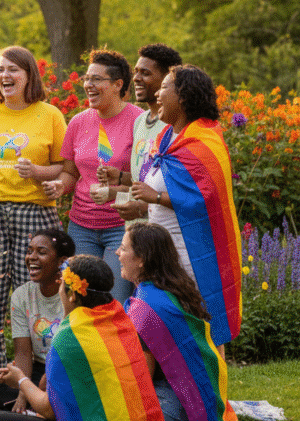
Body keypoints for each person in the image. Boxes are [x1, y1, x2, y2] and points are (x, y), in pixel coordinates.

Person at [0, 255, 177, 421]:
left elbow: (48, 409)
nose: (59, 289)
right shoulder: (119, 319)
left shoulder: (69, 336)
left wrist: (21, 381)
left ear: (73, 294)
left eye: (62, 285)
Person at [0, 46, 66, 375]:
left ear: (29, 75)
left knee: (36, 294)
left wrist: (39, 173)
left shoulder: (50, 115)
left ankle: (41, 375)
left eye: (13, 70)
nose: (5, 75)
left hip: (35, 214)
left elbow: (64, 168)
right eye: (1, 70)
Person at [129, 65, 242, 346]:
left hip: (192, 254)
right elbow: (169, 192)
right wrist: (141, 205)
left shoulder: (204, 141)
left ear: (183, 96)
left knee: (201, 331)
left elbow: (203, 197)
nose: (157, 93)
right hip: (161, 254)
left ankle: (212, 390)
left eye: (164, 86)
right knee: (166, 334)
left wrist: (153, 197)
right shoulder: (166, 139)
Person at [118, 222, 242, 421]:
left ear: (142, 259)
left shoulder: (146, 309)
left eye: (124, 248)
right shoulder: (172, 292)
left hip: (178, 413)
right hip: (206, 404)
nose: (117, 253)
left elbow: (140, 380)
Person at [43, 48, 142, 303]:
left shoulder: (138, 122)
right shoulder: (78, 122)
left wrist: (114, 190)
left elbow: (146, 181)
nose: (89, 85)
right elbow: (69, 173)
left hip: (121, 226)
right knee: (80, 298)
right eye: (87, 79)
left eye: (97, 79)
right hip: (82, 228)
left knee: (114, 299)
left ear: (118, 85)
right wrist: (58, 186)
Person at [0, 228, 74, 410]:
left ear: (61, 262)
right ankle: (43, 403)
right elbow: (23, 352)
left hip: (66, 369)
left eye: (41, 252)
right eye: (29, 251)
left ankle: (43, 403)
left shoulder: (73, 294)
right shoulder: (21, 295)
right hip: (37, 370)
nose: (32, 257)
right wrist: (22, 389)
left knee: (69, 390)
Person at [98, 44, 182, 223]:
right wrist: (120, 176)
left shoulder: (175, 125)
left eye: (145, 73)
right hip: (135, 232)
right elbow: (145, 177)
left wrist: (142, 208)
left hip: (162, 231)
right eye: (136, 72)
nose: (136, 78)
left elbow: (183, 188)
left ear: (167, 78)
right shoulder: (140, 121)